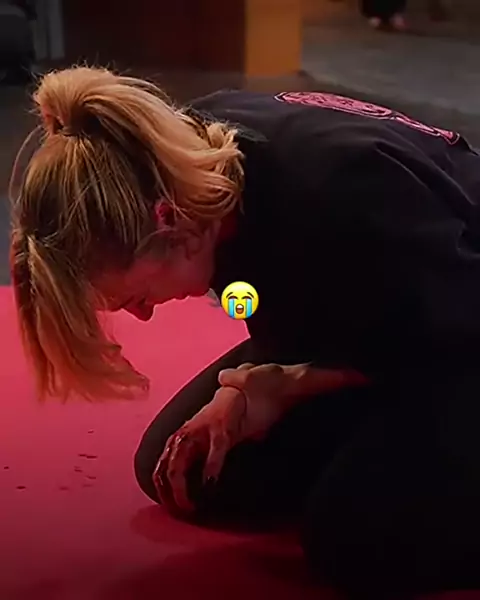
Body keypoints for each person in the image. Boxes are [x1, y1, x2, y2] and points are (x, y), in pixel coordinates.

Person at [10, 67, 480, 600]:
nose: (143, 317)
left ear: (170, 223)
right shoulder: (185, 166)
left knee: (358, 542)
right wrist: (249, 390)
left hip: (458, 331)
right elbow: (299, 299)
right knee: (188, 469)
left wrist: (290, 385)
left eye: (136, 296)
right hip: (387, 314)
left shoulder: (345, 190)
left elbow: (451, 339)